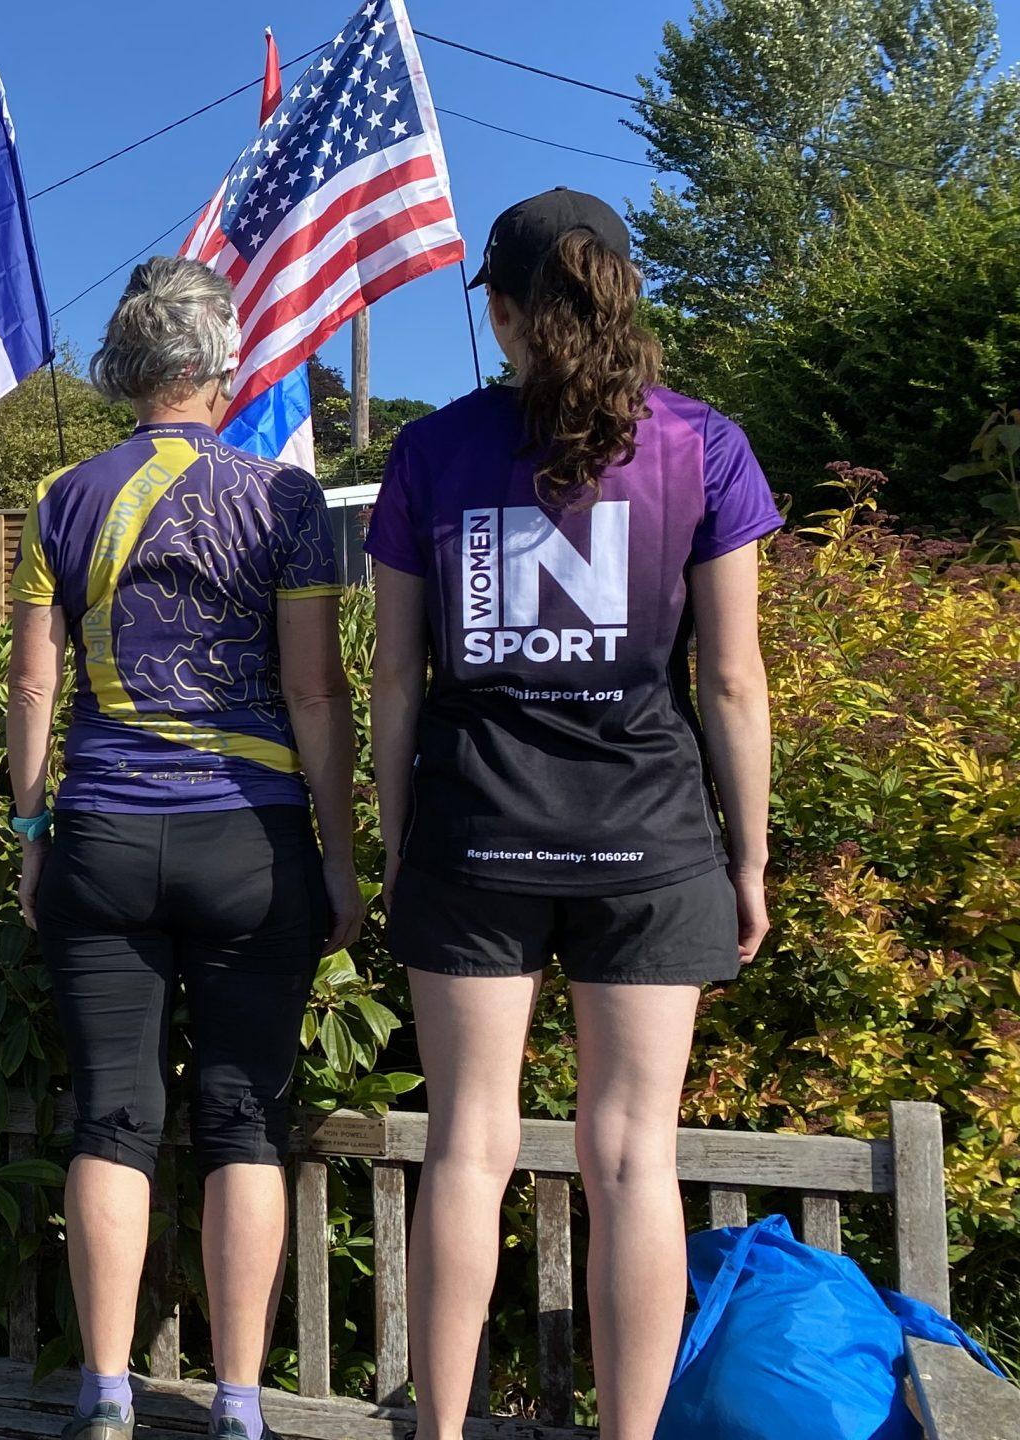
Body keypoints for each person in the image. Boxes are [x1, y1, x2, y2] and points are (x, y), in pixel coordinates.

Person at [365, 189, 779, 1440]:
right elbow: (730, 679)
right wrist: (749, 858)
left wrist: (396, 846)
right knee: (631, 1161)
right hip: (652, 840)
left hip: (474, 831)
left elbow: (393, 674)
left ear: (500, 312)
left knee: (466, 1146)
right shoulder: (703, 445)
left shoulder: (430, 451)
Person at [7, 256, 364, 1440]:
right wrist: (344, 851)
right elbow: (315, 692)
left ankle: (106, 1392)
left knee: (111, 1117)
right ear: (218, 368)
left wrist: (28, 827)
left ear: (126, 370)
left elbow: (31, 682)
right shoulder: (285, 500)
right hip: (251, 841)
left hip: (104, 830)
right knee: (241, 1121)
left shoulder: (61, 494)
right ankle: (239, 1403)